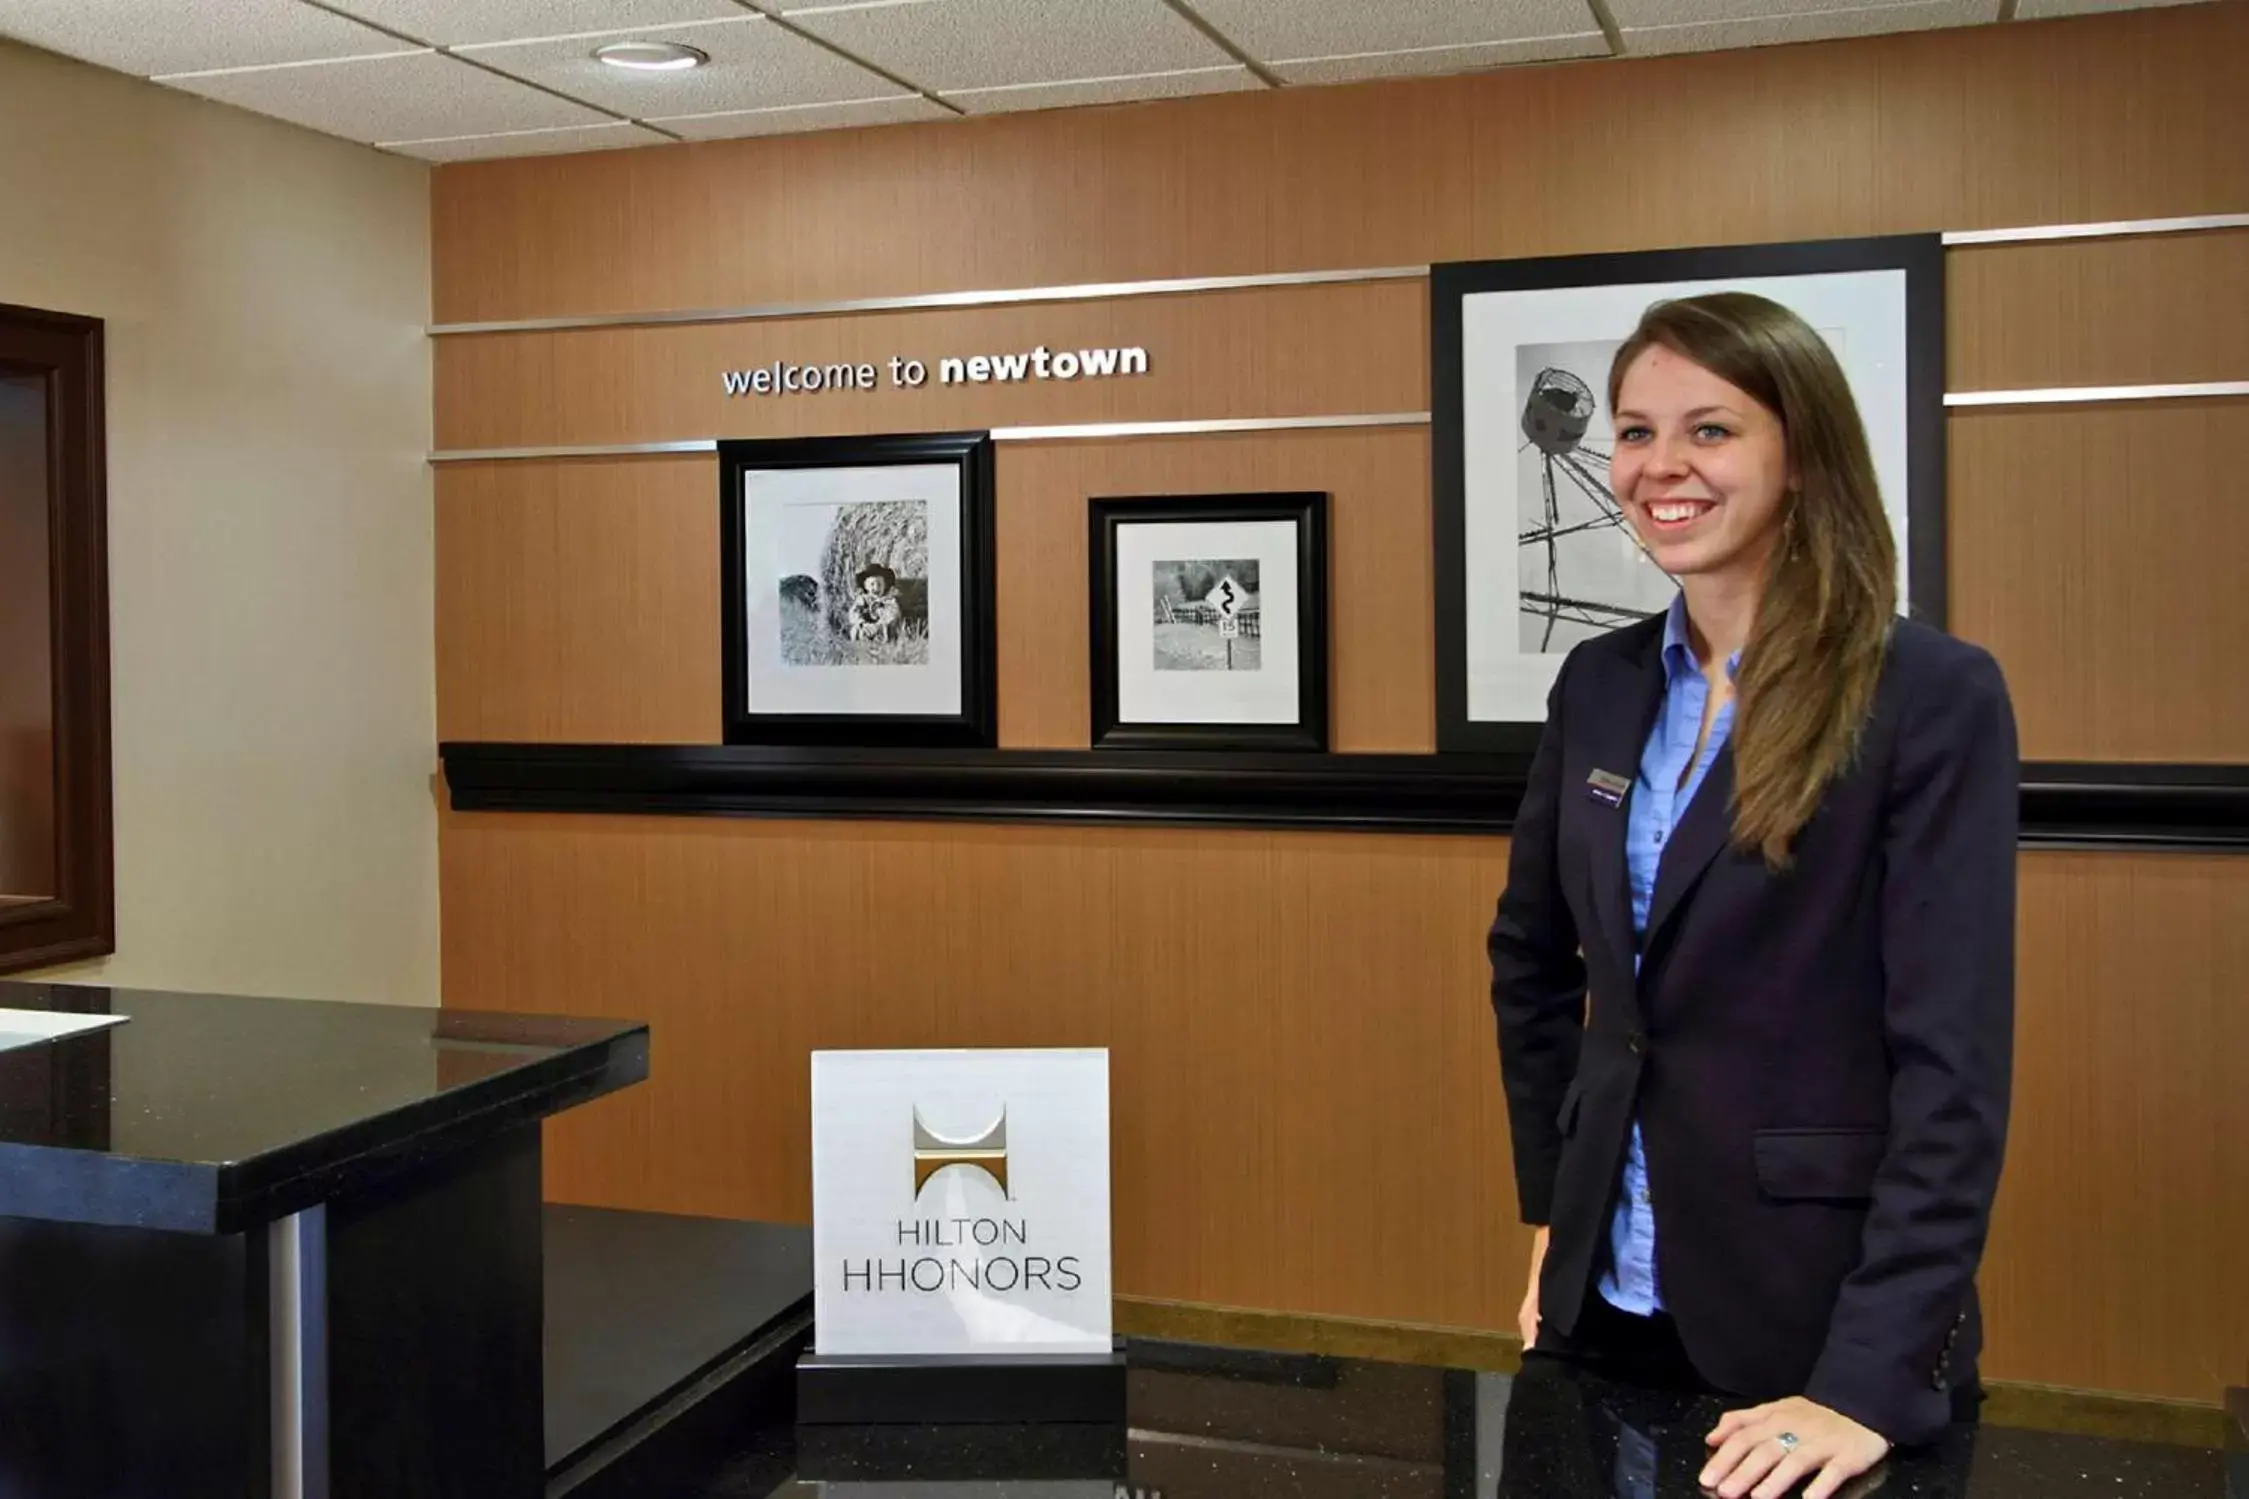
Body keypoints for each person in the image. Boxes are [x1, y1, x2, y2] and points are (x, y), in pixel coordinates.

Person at [1489, 292, 2017, 1499]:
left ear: (1800, 453)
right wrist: (1550, 1209)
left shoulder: (1926, 694)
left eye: (1708, 430)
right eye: (1632, 431)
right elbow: (1530, 957)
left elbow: (1951, 1065)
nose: (1657, 466)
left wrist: (1866, 1379)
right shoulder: (1600, 683)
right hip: (1596, 1303)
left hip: (1812, 1324)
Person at [846, 561, 904, 644]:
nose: (876, 588)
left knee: (889, 630)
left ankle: (884, 644)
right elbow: (854, 611)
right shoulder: (863, 599)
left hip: (883, 628)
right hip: (867, 627)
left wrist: (879, 625)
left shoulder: (888, 599)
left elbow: (893, 613)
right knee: (855, 629)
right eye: (872, 584)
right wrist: (862, 623)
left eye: (879, 584)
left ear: (885, 585)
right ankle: (860, 644)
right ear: (866, 586)